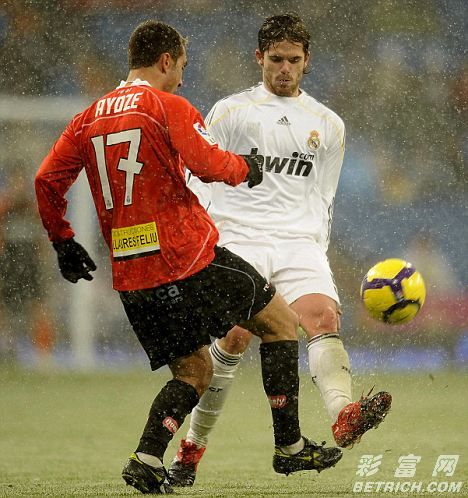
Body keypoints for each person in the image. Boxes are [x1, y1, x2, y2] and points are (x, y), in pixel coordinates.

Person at [35, 20, 343, 495]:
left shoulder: (87, 118)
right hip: (188, 257)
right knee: (281, 322)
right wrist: (246, 168)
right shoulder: (167, 106)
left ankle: (146, 458)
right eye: (181, 66)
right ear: (166, 61)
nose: (181, 78)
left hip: (133, 273)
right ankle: (289, 447)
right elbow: (207, 162)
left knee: (194, 371)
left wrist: (63, 239)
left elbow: (46, 180)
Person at [168, 13, 392, 487]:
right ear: (259, 58)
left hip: (297, 242)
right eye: (275, 59)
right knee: (234, 338)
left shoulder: (328, 125)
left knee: (323, 318)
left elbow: (324, 197)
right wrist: (204, 245)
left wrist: (316, 252)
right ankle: (191, 449)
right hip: (238, 238)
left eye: (293, 60)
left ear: (307, 60)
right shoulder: (231, 112)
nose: (284, 68)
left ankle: (343, 414)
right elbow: (199, 177)